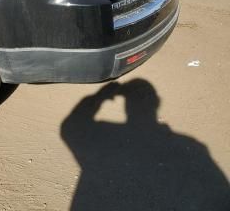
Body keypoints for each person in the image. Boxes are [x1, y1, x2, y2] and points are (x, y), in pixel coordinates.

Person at [62, 79, 229, 210]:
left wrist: (100, 95)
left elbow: (70, 127)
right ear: (157, 103)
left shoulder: (107, 133)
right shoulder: (190, 146)